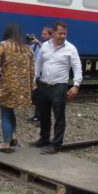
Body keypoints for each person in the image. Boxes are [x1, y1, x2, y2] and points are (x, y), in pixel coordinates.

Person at [33, 20, 83, 154]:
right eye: (60, 33)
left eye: (64, 34)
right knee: (43, 114)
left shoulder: (71, 49)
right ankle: (44, 139)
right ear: (53, 33)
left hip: (59, 86)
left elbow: (77, 67)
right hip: (44, 85)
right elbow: (38, 63)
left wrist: (76, 85)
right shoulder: (44, 46)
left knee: (59, 117)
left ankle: (56, 144)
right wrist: (34, 78)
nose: (62, 36)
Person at [0, 23, 35, 152]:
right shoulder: (27, 49)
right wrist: (31, 85)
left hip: (6, 86)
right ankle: (13, 135)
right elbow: (32, 69)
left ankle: (6, 143)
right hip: (21, 88)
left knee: (5, 113)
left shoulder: (4, 45)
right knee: (10, 111)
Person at [28, 26, 53, 122]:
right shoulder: (35, 46)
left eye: (45, 34)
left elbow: (49, 52)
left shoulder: (50, 45)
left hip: (44, 74)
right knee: (36, 96)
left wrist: (38, 43)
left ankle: (40, 116)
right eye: (42, 34)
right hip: (36, 73)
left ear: (50, 35)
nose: (42, 35)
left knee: (41, 96)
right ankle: (38, 115)